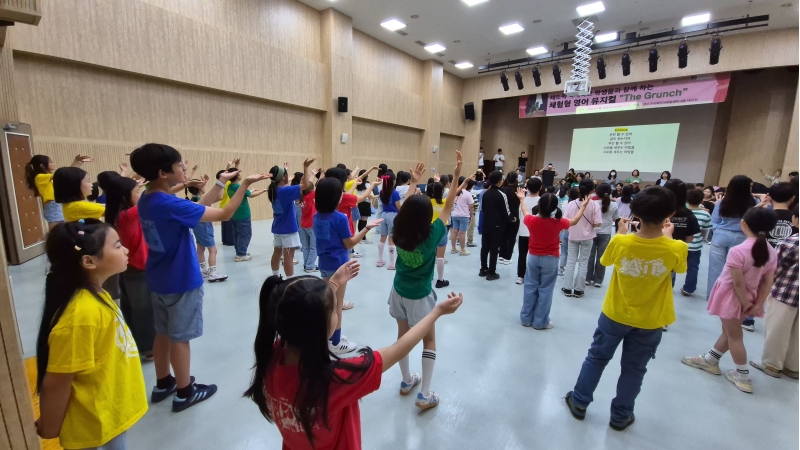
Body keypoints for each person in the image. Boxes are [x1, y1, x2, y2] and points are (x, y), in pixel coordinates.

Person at [244, 265, 463, 449]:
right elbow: (399, 348)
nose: (337, 313)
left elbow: (305, 313)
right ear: (320, 325)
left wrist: (336, 284)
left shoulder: (272, 354)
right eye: (333, 311)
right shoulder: (338, 379)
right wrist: (436, 312)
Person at [130, 143, 269, 412]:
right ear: (163, 172)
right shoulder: (169, 203)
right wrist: (242, 185)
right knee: (180, 337)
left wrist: (219, 182)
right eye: (179, 164)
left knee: (163, 333)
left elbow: (197, 212)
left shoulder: (148, 198)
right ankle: (184, 392)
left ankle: (163, 383)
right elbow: (224, 213)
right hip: (180, 279)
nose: (184, 167)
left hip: (158, 278)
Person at [565, 187, 686, 430]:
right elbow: (680, 269)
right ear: (670, 214)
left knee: (597, 358)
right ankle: (621, 415)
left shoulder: (621, 241)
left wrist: (620, 232)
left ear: (635, 213)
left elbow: (605, 261)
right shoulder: (676, 247)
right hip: (651, 320)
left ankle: (579, 402)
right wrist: (670, 237)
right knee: (635, 369)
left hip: (615, 313)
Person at [35, 220, 147, 449]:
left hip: (108, 416)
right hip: (93, 427)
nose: (125, 250)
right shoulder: (80, 316)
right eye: (117, 246)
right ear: (88, 261)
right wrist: (50, 425)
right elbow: (57, 381)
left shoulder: (97, 294)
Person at [389, 154, 462, 410]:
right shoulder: (432, 235)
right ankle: (425, 393)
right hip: (420, 295)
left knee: (402, 337)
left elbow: (404, 209)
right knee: (428, 340)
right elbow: (449, 205)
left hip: (398, 291)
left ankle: (407, 381)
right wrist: (455, 177)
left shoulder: (397, 230)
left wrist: (414, 184)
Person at [681, 208, 778, 394]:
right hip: (748, 297)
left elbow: (737, 282)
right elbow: (767, 281)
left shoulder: (738, 250)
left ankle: (742, 375)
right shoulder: (771, 251)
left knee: (734, 335)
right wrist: (757, 303)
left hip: (732, 297)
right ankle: (710, 360)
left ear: (744, 224)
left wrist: (745, 302)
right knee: (729, 331)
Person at [104, 176, 157, 361]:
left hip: (129, 269)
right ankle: (148, 349)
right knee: (144, 310)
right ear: (124, 197)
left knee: (131, 307)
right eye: (136, 192)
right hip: (138, 269)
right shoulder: (127, 216)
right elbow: (153, 198)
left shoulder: (116, 215)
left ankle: (135, 341)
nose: (139, 194)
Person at [520, 191, 589, 329]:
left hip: (533, 257)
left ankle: (526, 319)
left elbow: (525, 210)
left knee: (530, 286)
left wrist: (522, 198)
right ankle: (540, 322)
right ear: (555, 208)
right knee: (546, 289)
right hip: (551, 259)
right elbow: (574, 221)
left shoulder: (531, 220)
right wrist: (583, 206)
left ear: (539, 205)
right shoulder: (559, 222)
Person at [750, 205, 799, 379]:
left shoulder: (790, 242)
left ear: (796, 219)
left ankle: (771, 363)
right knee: (797, 332)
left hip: (785, 293)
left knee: (777, 328)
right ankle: (793, 366)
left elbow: (775, 270)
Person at [707, 176, 757, 322]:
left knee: (715, 269)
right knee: (738, 271)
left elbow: (714, 222)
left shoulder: (723, 201)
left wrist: (719, 232)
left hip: (721, 236)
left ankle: (713, 298)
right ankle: (733, 298)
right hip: (742, 237)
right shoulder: (754, 203)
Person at [267, 163, 312, 276]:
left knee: (277, 252)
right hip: (288, 229)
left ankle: (275, 276)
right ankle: (289, 281)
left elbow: (285, 185)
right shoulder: (284, 191)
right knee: (289, 256)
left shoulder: (273, 189)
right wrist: (306, 167)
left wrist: (284, 170)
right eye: (286, 174)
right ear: (283, 177)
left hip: (278, 228)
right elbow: (306, 184)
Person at [26, 154, 94, 229]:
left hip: (58, 205)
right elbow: (64, 175)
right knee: (57, 231)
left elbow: (67, 175)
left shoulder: (49, 177)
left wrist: (77, 162)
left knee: (64, 230)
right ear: (42, 165)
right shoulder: (39, 177)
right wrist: (76, 163)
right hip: (53, 206)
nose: (53, 163)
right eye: (50, 162)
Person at [562, 180, 602, 298]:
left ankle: (567, 288)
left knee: (571, 261)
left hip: (573, 235)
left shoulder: (571, 204)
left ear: (579, 189)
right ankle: (579, 290)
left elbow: (565, 221)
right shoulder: (595, 205)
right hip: (588, 237)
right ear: (592, 190)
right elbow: (598, 223)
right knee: (584, 262)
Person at [185, 182, 228, 282]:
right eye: (203, 186)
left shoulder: (193, 200)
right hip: (204, 227)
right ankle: (213, 272)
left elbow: (218, 197)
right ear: (200, 188)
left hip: (197, 227)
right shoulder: (202, 202)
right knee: (213, 250)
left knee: (200, 247)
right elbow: (220, 196)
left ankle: (204, 271)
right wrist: (221, 182)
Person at [663, 179, 701, 289]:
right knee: (668, 283)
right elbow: (690, 238)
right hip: (675, 253)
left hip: (655, 251)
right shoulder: (688, 214)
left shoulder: (657, 210)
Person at [479, 171, 513, 281]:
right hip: (497, 225)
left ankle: (483, 269)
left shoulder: (485, 193)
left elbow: (483, 209)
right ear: (499, 181)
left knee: (484, 247)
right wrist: (512, 219)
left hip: (486, 224)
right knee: (494, 248)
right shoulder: (502, 195)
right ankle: (492, 272)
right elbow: (506, 211)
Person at [585, 183, 619, 288]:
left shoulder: (591, 203)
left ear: (596, 192)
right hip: (606, 233)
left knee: (590, 256)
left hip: (592, 231)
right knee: (601, 256)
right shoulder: (614, 205)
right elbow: (615, 218)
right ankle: (598, 280)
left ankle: (587, 278)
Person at [681, 189, 712, 296]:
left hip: (680, 244)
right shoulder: (705, 214)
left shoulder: (681, 212)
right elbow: (705, 230)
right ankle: (688, 289)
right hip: (695, 246)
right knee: (693, 267)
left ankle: (670, 284)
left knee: (672, 266)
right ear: (702, 200)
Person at [516, 177, 543, 285]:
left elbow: (520, 215)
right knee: (536, 256)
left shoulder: (523, 200)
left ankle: (520, 276)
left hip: (523, 231)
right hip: (537, 233)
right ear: (540, 187)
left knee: (522, 254)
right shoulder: (542, 201)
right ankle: (534, 277)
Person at [376, 172, 402, 269]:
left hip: (383, 215)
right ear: (394, 181)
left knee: (382, 237)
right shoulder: (395, 193)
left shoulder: (382, 192)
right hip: (393, 216)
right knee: (391, 239)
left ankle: (379, 259)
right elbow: (398, 207)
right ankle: (391, 263)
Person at [759, 182, 798, 247]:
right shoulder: (797, 218)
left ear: (769, 197)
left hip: (764, 254)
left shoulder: (760, 216)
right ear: (793, 199)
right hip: (789, 255)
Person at [499, 172, 522, 266]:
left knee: (503, 236)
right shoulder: (518, 190)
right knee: (512, 238)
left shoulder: (502, 189)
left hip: (503, 216)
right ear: (516, 179)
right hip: (515, 216)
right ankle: (507, 257)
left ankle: (501, 255)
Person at [450, 177, 475, 256]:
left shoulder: (454, 192)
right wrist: (471, 215)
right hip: (464, 215)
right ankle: (462, 249)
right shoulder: (467, 193)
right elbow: (471, 206)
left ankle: (453, 248)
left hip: (454, 214)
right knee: (462, 233)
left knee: (454, 231)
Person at [299, 179, 318, 273]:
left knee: (306, 247)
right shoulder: (309, 196)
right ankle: (310, 266)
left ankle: (306, 264)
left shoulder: (301, 198)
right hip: (311, 224)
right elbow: (319, 189)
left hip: (303, 224)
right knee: (314, 247)